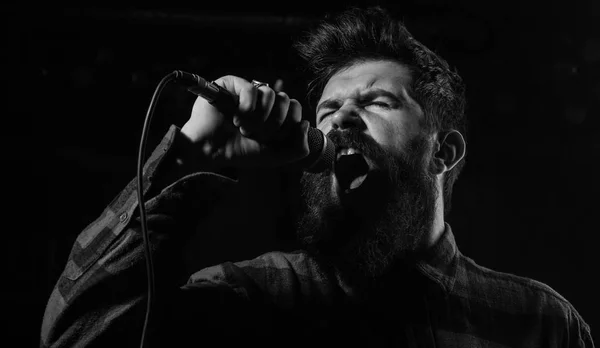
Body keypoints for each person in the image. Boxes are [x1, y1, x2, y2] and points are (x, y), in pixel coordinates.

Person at [41, 6, 594, 348]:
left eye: (377, 101)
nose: (342, 119)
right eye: (328, 111)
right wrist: (193, 152)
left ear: (443, 152)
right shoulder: (253, 297)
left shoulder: (541, 324)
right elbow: (77, 336)